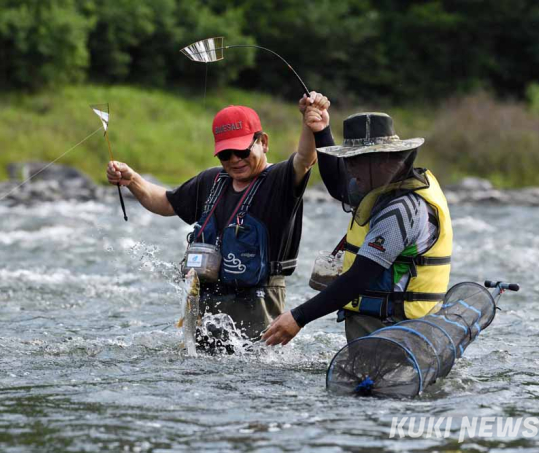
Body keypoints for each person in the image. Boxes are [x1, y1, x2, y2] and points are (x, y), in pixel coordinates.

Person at [106, 93, 331, 346]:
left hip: (259, 304)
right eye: (226, 153)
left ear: (263, 142)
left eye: (242, 149)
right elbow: (166, 202)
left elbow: (305, 159)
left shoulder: (279, 181)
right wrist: (132, 179)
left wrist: (309, 123)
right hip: (206, 307)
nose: (235, 159)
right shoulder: (211, 180)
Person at [263, 111, 453, 345]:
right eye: (347, 159)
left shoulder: (401, 210)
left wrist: (298, 317)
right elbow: (339, 185)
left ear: (383, 159)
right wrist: (321, 130)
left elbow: (359, 278)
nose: (349, 168)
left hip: (398, 333)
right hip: (384, 329)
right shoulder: (383, 183)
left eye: (354, 160)